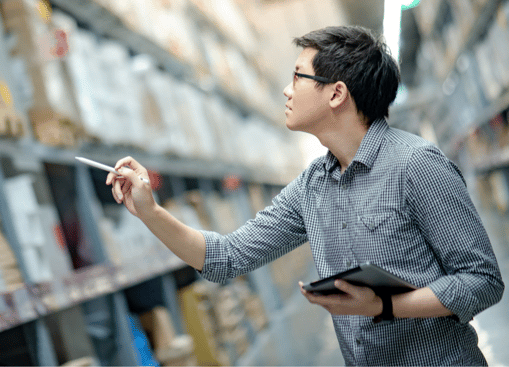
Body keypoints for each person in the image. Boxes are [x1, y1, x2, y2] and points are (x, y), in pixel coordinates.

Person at [105, 25, 504, 366]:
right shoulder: (312, 186)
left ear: (336, 94)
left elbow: (483, 280)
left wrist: (385, 306)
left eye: (298, 77)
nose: (286, 90)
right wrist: (150, 211)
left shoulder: (416, 165)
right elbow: (226, 258)